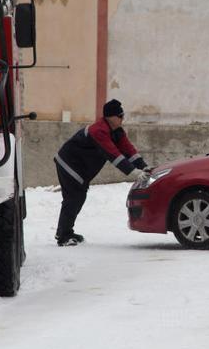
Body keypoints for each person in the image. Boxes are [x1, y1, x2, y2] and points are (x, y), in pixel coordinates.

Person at [53, 99, 150, 246]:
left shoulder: (116, 131)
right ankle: (63, 235)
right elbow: (113, 155)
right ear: (111, 117)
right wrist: (133, 172)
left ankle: (66, 231)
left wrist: (144, 167)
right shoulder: (98, 131)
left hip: (79, 168)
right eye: (120, 116)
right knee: (73, 198)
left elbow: (128, 149)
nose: (122, 119)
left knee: (78, 198)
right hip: (69, 164)